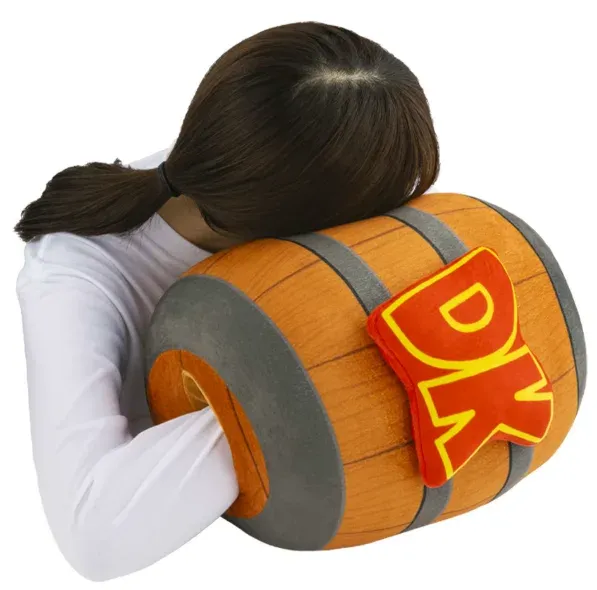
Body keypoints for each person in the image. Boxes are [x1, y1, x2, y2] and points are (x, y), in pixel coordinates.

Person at [15, 21, 440, 582]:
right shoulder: (74, 281)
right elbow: (95, 539)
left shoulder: (275, 165)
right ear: (304, 223)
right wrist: (297, 388)